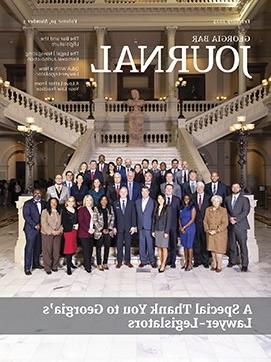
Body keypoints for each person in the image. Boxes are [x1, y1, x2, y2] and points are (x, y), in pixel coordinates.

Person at [224, 183, 250, 272]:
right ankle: (232, 261)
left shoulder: (244, 199)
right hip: (231, 225)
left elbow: (246, 211)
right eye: (233, 187)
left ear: (239, 188)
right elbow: (225, 210)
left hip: (241, 226)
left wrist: (236, 219)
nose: (235, 188)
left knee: (243, 245)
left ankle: (244, 264)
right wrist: (229, 218)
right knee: (232, 245)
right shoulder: (227, 198)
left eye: (236, 187)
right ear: (231, 188)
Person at [23, 189, 46, 275]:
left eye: (39, 193)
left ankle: (36, 264)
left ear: (41, 194)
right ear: (33, 194)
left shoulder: (44, 203)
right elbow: (26, 216)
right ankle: (27, 268)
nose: (37, 194)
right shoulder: (28, 203)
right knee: (29, 248)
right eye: (36, 193)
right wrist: (34, 225)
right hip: (30, 229)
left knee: (38, 247)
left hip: (41, 229)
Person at [203, 195, 229, 273]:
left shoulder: (223, 210)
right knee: (213, 250)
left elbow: (225, 223)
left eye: (217, 201)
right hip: (210, 233)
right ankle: (214, 264)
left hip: (220, 234)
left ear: (220, 202)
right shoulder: (208, 209)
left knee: (218, 251)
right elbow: (205, 221)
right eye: (214, 201)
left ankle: (219, 266)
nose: (216, 202)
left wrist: (216, 230)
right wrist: (207, 230)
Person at [113, 187, 137, 268]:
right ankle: (119, 262)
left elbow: (134, 215)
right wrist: (114, 227)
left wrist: (134, 226)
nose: (123, 193)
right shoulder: (115, 203)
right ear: (119, 193)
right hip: (119, 228)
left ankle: (128, 261)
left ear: (127, 193)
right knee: (119, 245)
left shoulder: (131, 203)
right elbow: (114, 217)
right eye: (121, 192)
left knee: (128, 245)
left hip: (128, 227)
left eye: (125, 192)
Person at [40, 197, 63, 274]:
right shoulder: (45, 211)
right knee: (47, 251)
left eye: (55, 202)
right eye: (52, 202)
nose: (54, 204)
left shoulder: (60, 211)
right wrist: (52, 231)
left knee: (56, 251)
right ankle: (47, 267)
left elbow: (63, 223)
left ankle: (55, 266)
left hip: (58, 234)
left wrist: (59, 231)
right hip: (47, 234)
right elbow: (44, 223)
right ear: (49, 203)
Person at [135, 186, 156, 268]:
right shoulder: (137, 202)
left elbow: (154, 216)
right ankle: (143, 261)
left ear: (149, 192)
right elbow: (136, 215)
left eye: (145, 191)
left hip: (149, 226)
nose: (144, 193)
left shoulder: (153, 202)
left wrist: (154, 228)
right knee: (142, 244)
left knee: (150, 245)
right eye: (142, 191)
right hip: (140, 226)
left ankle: (152, 261)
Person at [192, 182, 211, 268]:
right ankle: (197, 260)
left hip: (205, 223)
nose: (199, 188)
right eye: (197, 187)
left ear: (203, 188)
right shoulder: (192, 196)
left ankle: (205, 261)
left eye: (201, 187)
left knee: (205, 242)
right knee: (196, 242)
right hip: (195, 223)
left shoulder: (208, 197)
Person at [93, 195, 115, 270]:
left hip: (108, 232)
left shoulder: (110, 208)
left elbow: (113, 219)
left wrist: (109, 229)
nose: (104, 201)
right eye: (102, 199)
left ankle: (105, 263)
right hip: (100, 232)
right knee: (98, 248)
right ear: (100, 201)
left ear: (107, 201)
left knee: (107, 248)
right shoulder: (96, 209)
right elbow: (95, 220)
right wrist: (101, 229)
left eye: (105, 199)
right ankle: (99, 263)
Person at [152, 194, 171, 273]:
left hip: (164, 231)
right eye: (158, 198)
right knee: (159, 247)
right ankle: (161, 262)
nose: (160, 199)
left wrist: (166, 231)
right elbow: (154, 220)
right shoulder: (156, 207)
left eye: (161, 198)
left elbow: (169, 220)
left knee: (164, 247)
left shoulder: (167, 208)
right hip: (157, 230)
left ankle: (163, 264)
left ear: (164, 199)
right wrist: (153, 230)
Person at [164, 184, 181, 268]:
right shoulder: (161, 199)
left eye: (170, 189)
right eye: (167, 188)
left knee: (173, 244)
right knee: (166, 245)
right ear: (165, 190)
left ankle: (173, 261)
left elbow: (179, 214)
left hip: (174, 226)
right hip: (164, 227)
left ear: (173, 190)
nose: (169, 190)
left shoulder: (177, 200)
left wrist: (179, 226)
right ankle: (167, 260)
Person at [78, 195, 95, 273]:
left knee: (90, 249)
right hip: (84, 233)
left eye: (90, 200)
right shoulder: (82, 209)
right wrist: (88, 229)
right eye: (87, 200)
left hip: (91, 233)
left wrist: (93, 229)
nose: (89, 202)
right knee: (86, 250)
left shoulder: (93, 209)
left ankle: (87, 263)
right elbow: (81, 222)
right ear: (85, 201)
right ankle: (87, 267)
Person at [62, 196, 78, 275]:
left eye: (72, 201)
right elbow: (64, 222)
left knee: (73, 248)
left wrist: (77, 224)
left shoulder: (75, 210)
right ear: (67, 202)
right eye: (69, 201)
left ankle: (71, 263)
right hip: (68, 232)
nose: (71, 203)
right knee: (68, 249)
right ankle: (68, 267)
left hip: (74, 232)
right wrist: (73, 226)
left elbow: (76, 220)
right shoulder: (64, 211)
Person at [179, 194, 196, 271]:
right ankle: (186, 262)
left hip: (190, 228)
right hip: (182, 229)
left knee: (189, 246)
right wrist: (180, 227)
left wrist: (184, 227)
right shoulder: (182, 207)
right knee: (185, 246)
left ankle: (190, 263)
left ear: (190, 200)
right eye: (185, 198)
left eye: (188, 199)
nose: (186, 200)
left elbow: (192, 219)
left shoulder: (192, 208)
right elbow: (179, 218)